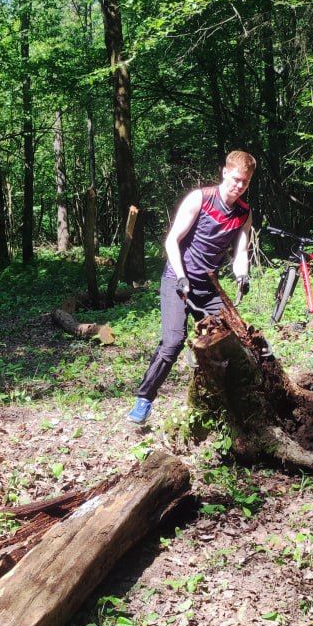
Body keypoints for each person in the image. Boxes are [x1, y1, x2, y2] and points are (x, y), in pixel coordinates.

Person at [126, 150, 256, 424]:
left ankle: (225, 401)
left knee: (230, 337)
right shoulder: (201, 199)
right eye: (235, 179)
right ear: (224, 172)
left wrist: (242, 274)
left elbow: (240, 251)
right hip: (178, 277)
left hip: (208, 286)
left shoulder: (244, 213)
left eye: (244, 182)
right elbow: (172, 240)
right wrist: (182, 277)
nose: (238, 186)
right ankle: (144, 399)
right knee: (172, 343)